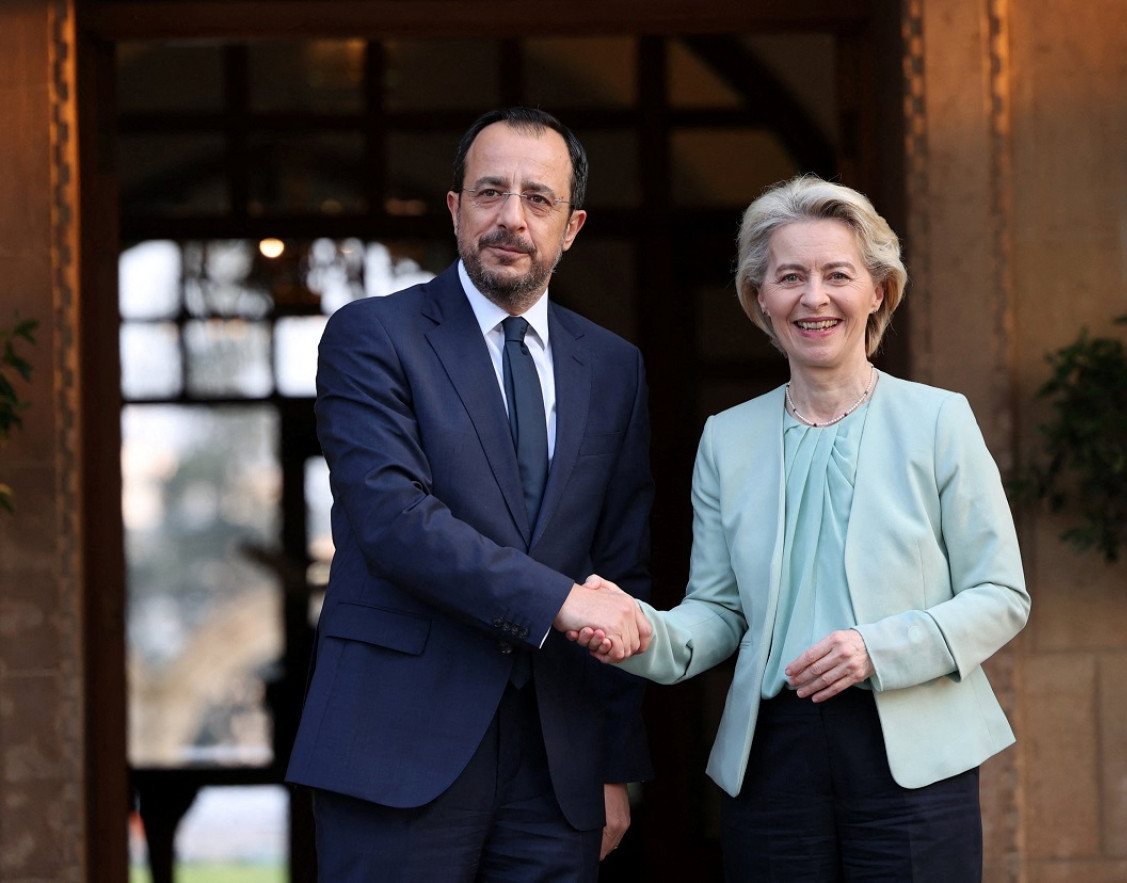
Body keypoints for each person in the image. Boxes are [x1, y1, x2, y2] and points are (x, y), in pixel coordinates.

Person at [572, 176, 1030, 881]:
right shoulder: (726, 438)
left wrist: (876, 648)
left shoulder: (941, 420)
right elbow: (719, 614)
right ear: (761, 299)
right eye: (790, 277)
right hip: (772, 760)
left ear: (877, 290)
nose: (813, 298)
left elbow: (1002, 594)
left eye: (836, 275)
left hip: (912, 753)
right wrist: (637, 629)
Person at [286, 107, 654, 882]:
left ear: (573, 225)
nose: (511, 218)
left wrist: (615, 759)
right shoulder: (372, 336)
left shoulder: (614, 367)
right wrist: (559, 601)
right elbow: (394, 521)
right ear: (455, 210)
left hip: (557, 764)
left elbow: (624, 567)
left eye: (538, 199)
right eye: (489, 193)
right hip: (396, 745)